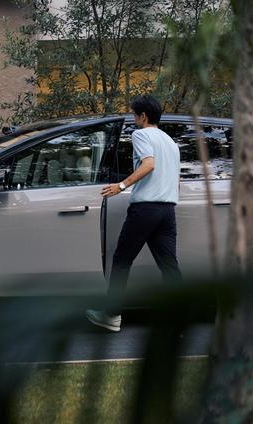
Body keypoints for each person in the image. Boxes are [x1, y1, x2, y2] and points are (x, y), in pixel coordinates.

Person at [86, 95, 182, 332]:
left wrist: (121, 186)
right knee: (169, 266)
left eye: (134, 115)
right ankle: (181, 318)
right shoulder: (171, 142)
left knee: (121, 261)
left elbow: (149, 164)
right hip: (167, 211)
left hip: (146, 209)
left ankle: (111, 315)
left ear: (143, 116)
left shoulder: (141, 135)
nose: (134, 119)